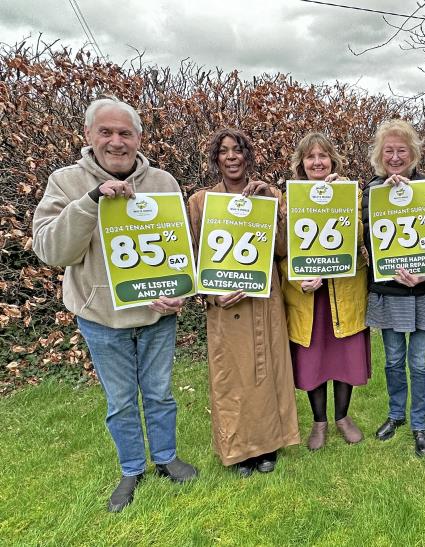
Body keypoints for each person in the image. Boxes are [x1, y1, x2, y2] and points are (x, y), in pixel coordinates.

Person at [32, 96, 197, 513]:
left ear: (140, 138)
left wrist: (181, 291)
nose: (116, 141)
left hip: (157, 315)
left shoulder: (163, 182)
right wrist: (90, 201)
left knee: (160, 394)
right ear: (88, 135)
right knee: (121, 400)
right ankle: (131, 468)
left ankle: (166, 458)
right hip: (101, 317)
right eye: (105, 131)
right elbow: (52, 251)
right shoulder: (66, 181)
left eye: (125, 133)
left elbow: (179, 252)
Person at [187, 127, 299, 478]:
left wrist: (276, 209)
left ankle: (267, 446)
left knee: (266, 372)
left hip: (263, 300)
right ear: (216, 158)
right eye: (224, 151)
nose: (231, 156)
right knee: (231, 376)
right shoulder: (201, 202)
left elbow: (284, 251)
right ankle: (237, 450)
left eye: (238, 150)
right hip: (225, 304)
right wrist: (210, 294)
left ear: (248, 156)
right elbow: (192, 256)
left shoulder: (270, 195)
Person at [362, 119, 425, 456]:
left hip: (423, 290)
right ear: (379, 156)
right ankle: (395, 414)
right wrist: (387, 193)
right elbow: (369, 235)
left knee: (421, 362)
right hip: (389, 289)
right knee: (394, 360)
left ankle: (419, 422)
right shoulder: (371, 191)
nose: (395, 157)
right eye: (389, 151)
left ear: (412, 154)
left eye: (402, 151)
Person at [280, 132, 371, 450]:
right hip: (310, 296)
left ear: (333, 160)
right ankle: (319, 422)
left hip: (343, 290)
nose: (317, 162)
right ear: (301, 164)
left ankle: (343, 417)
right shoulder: (287, 199)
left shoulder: (351, 193)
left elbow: (361, 239)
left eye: (322, 155)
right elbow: (281, 252)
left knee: (344, 356)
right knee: (313, 358)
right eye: (310, 157)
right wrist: (297, 281)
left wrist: (340, 200)